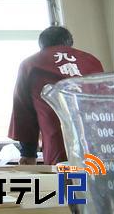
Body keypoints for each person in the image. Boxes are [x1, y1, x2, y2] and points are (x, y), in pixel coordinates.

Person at [8, 26, 104, 165]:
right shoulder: (92, 61)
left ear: (42, 45)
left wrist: (28, 153)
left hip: (58, 149)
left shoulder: (30, 64)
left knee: (68, 184)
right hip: (99, 147)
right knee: (95, 183)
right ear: (69, 42)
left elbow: (23, 112)